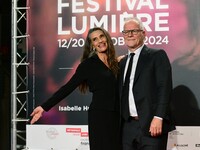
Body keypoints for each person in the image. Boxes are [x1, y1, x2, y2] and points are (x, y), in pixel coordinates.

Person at [29, 27, 122, 150]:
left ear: (107, 38)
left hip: (119, 115)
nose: (100, 41)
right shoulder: (87, 65)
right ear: (92, 45)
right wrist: (44, 107)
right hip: (100, 116)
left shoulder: (118, 62)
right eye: (95, 39)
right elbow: (67, 88)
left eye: (101, 36)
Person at [118, 17, 175, 150]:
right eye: (126, 32)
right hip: (127, 127)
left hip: (151, 124)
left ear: (144, 33)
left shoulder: (157, 55)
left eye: (134, 31)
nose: (130, 35)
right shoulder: (122, 62)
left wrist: (158, 117)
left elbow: (164, 88)